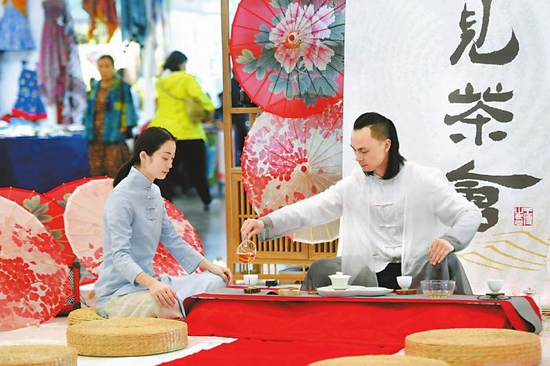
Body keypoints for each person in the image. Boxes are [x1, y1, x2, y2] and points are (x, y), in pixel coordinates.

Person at [240, 112, 482, 293]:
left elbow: (470, 213)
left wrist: (449, 240)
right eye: (354, 150)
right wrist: (266, 223)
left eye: (364, 151)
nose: (357, 158)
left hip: (416, 269)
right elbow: (312, 209)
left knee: (446, 260)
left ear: (386, 145)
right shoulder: (355, 184)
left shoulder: (423, 179)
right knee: (321, 268)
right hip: (368, 270)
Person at [94, 127, 232, 319]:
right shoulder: (121, 197)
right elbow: (120, 256)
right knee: (165, 303)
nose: (170, 164)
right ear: (144, 156)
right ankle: (180, 307)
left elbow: (173, 240)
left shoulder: (155, 192)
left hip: (153, 284)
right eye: (165, 158)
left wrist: (211, 266)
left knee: (217, 281)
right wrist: (152, 284)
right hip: (119, 293)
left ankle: (180, 307)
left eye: (172, 158)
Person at [148, 51, 216, 210]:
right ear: (181, 64)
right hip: (189, 132)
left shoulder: (161, 81)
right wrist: (209, 108)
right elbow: (200, 97)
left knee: (165, 172)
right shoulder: (186, 78)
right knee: (197, 170)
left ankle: (166, 204)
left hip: (165, 133)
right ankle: (206, 200)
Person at [83, 55, 138, 177]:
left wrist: (124, 127)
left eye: (107, 66)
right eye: (101, 66)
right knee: (96, 166)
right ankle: (98, 194)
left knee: (114, 165)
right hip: (95, 133)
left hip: (114, 132)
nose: (104, 70)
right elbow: (89, 109)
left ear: (113, 67)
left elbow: (128, 108)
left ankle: (116, 193)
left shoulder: (122, 87)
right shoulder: (95, 86)